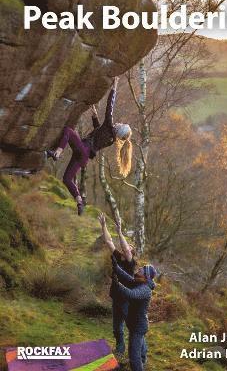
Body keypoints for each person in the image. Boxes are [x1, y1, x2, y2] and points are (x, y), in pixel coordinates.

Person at [46, 77, 132, 215]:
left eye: (121, 125)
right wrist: (94, 117)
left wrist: (114, 87)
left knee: (68, 130)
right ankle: (80, 202)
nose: (119, 123)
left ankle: (56, 153)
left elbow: (110, 106)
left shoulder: (109, 126)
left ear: (119, 130)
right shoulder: (111, 139)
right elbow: (98, 133)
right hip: (83, 157)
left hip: (83, 149)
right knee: (67, 179)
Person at [98, 213, 136, 356]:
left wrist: (120, 231)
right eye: (128, 244)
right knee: (117, 328)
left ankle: (138, 349)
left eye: (130, 246)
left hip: (127, 298)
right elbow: (109, 241)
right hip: (116, 297)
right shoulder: (117, 256)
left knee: (131, 325)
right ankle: (120, 349)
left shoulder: (131, 262)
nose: (127, 246)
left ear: (132, 251)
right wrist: (104, 226)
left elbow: (125, 248)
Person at [111, 257, 156, 371]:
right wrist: (116, 267)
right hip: (135, 324)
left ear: (146, 276)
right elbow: (127, 278)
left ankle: (140, 365)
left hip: (138, 327)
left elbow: (131, 295)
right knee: (139, 349)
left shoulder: (145, 289)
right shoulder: (138, 281)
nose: (139, 269)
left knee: (134, 356)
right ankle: (143, 360)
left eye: (142, 270)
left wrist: (118, 285)